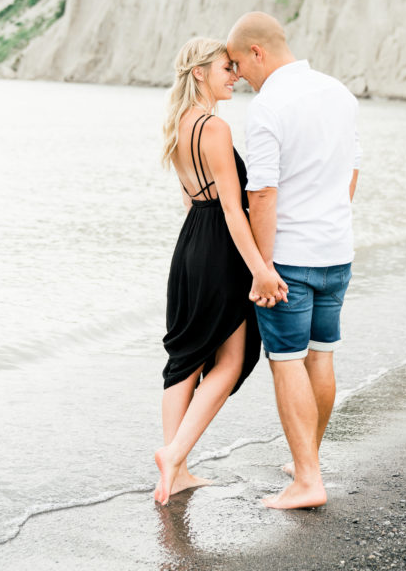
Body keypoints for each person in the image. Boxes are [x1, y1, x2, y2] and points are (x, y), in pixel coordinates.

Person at [226, 13, 360, 510]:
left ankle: (307, 480)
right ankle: (310, 460)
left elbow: (260, 193)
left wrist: (263, 266)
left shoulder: (269, 106)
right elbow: (352, 172)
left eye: (239, 63)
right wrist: (329, 217)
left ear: (258, 52)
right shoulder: (339, 93)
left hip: (289, 260)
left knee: (286, 364)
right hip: (335, 251)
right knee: (320, 355)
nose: (238, 76)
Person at [154, 37, 288, 506]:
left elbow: (192, 199)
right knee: (229, 362)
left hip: (191, 242)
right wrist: (261, 270)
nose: (234, 75)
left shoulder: (178, 124)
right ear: (198, 73)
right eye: (224, 68)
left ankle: (177, 469)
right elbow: (234, 210)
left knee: (185, 358)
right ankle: (174, 457)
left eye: (235, 67)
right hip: (220, 246)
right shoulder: (214, 127)